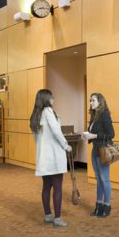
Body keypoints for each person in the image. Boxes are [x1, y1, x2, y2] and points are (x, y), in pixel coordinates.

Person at [31, 89, 71, 228]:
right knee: (58, 187)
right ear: (46, 99)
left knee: (46, 186)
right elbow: (56, 131)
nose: (54, 99)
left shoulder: (36, 114)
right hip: (54, 156)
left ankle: (48, 215)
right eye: (51, 97)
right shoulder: (48, 111)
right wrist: (66, 146)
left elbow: (36, 138)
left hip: (44, 157)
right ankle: (58, 218)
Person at [83, 93, 115, 218]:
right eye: (90, 100)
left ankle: (107, 205)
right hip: (95, 150)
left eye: (93, 100)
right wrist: (87, 135)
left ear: (100, 102)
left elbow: (111, 134)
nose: (90, 102)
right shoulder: (94, 115)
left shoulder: (104, 115)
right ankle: (98, 205)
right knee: (98, 179)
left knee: (104, 179)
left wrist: (94, 136)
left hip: (103, 151)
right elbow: (92, 132)